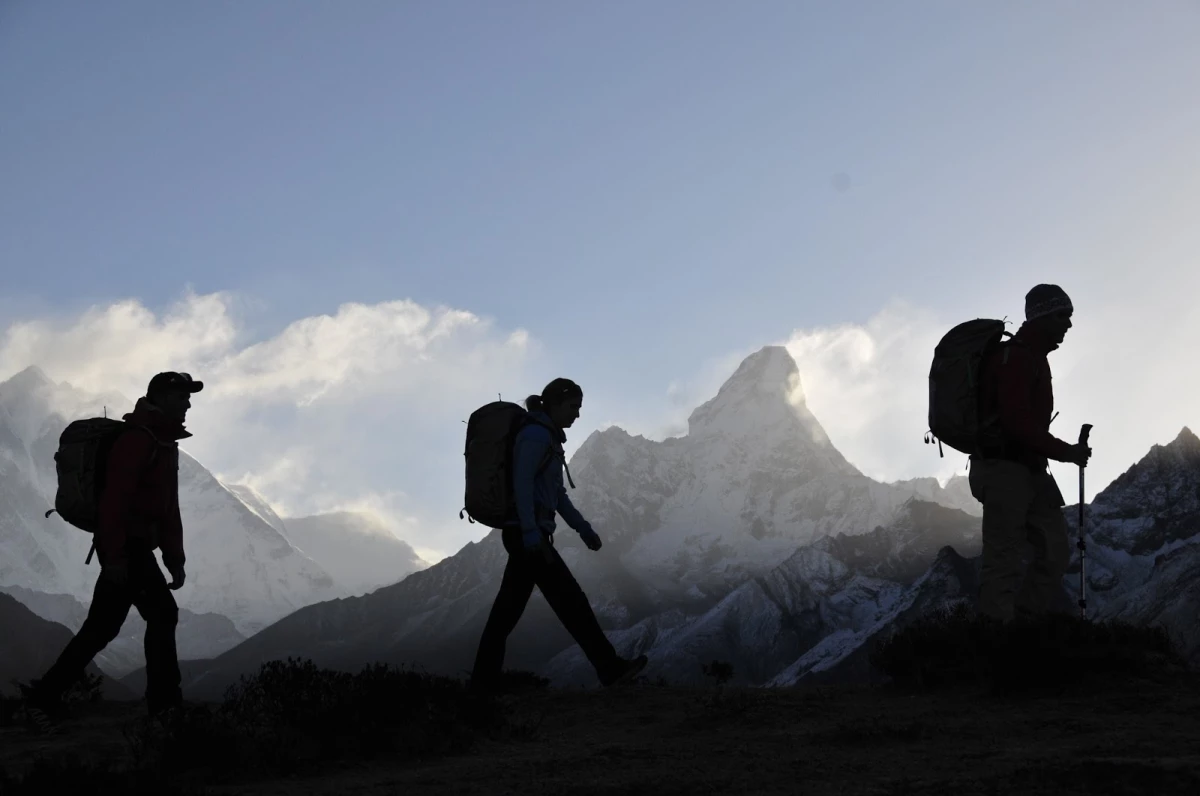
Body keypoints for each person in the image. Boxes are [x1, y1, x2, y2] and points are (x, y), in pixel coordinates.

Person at [26, 371, 202, 723]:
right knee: (163, 614)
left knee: (101, 628)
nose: (188, 403)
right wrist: (117, 557)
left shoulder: (164, 443)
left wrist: (174, 558)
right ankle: (166, 708)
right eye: (182, 396)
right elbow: (114, 502)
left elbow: (168, 507)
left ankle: (44, 695)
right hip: (125, 547)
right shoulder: (138, 440)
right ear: (163, 398)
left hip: (130, 548)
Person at [470, 378, 647, 692]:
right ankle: (609, 669)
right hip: (529, 537)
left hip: (529, 536)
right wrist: (530, 533)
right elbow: (522, 484)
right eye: (572, 407)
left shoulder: (548, 439)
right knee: (572, 602)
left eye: (579, 408)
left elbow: (557, 495)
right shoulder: (536, 436)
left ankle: (480, 687)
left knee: (505, 616)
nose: (577, 415)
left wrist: (584, 529)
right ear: (554, 403)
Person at [970, 285, 1092, 623]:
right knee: (1004, 560)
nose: (1068, 324)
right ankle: (995, 646)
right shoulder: (1017, 358)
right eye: (1062, 316)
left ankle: (1022, 629)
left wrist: (1058, 453)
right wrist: (1067, 452)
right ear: (1041, 316)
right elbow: (1015, 422)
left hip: (1030, 469)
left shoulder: (1033, 357)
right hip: (1003, 469)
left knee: (1054, 552)